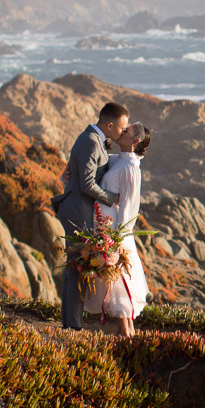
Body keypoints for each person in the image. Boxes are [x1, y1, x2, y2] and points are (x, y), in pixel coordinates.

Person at [52, 101, 128, 328]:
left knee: (75, 267)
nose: (123, 133)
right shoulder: (91, 142)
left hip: (80, 209)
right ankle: (72, 326)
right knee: (77, 268)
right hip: (78, 211)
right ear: (110, 125)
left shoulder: (94, 139)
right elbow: (86, 184)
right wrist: (112, 198)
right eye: (122, 129)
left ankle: (71, 323)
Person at [83, 121, 152, 335]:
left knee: (117, 278)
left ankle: (125, 333)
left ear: (135, 141)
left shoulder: (131, 167)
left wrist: (117, 239)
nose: (122, 130)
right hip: (103, 224)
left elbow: (130, 207)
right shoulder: (117, 160)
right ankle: (128, 332)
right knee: (111, 279)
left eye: (128, 130)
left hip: (114, 230)